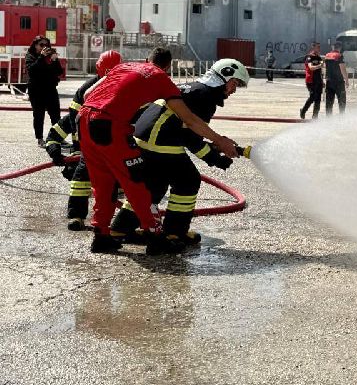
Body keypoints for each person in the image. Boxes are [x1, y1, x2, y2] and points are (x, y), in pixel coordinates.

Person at [78, 46, 239, 254]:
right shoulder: (162, 79)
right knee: (137, 184)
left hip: (83, 120)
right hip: (110, 127)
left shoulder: (126, 67)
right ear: (167, 67)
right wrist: (220, 141)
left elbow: (88, 93)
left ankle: (101, 237)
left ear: (147, 59)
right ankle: (155, 237)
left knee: (103, 183)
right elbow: (189, 120)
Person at [45, 50, 123, 230]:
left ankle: (122, 221)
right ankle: (77, 216)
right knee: (80, 177)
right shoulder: (84, 94)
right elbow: (55, 135)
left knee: (122, 184)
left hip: (112, 151)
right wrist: (54, 151)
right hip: (88, 153)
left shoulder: (122, 88)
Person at [24, 36, 62, 147]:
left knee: (55, 115)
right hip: (36, 90)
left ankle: (57, 138)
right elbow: (32, 70)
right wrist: (41, 57)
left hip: (50, 89)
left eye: (46, 45)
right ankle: (40, 139)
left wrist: (55, 60)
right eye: (41, 45)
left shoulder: (50, 55)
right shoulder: (30, 56)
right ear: (35, 45)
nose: (44, 47)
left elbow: (59, 71)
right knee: (39, 115)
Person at [324, 42, 350, 115]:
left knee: (329, 101)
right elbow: (343, 69)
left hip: (329, 81)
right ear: (340, 48)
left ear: (333, 47)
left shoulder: (327, 55)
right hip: (338, 82)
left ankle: (328, 118)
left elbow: (325, 67)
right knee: (341, 101)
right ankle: (341, 117)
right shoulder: (339, 55)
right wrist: (347, 80)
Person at [299, 43, 323, 119]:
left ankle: (315, 116)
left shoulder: (319, 58)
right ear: (313, 48)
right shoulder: (309, 57)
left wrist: (322, 81)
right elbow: (311, 67)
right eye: (318, 47)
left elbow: (320, 70)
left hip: (318, 81)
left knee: (318, 99)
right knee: (312, 97)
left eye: (319, 47)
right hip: (311, 80)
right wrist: (320, 65)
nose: (319, 49)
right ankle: (303, 110)